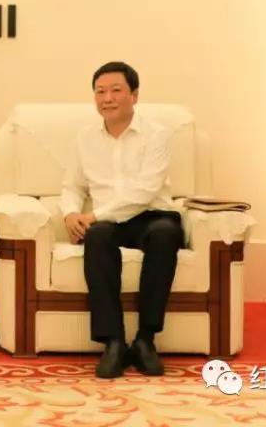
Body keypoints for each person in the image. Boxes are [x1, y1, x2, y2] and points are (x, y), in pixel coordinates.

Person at [59, 61, 184, 379]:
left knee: (166, 233)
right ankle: (113, 342)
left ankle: (145, 340)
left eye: (116, 90)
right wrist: (70, 213)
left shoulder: (157, 135)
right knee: (97, 236)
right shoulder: (84, 137)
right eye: (100, 91)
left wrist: (94, 215)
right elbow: (72, 186)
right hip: (108, 223)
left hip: (152, 215)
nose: (107, 98)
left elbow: (144, 192)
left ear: (134, 95)